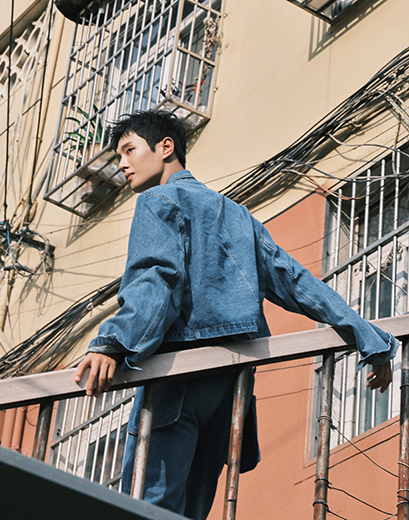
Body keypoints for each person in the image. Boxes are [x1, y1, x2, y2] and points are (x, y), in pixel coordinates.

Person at [74, 110, 398, 519]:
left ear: (165, 147)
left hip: (179, 374)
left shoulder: (158, 201)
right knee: (193, 510)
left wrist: (113, 342)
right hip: (230, 389)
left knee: (148, 505)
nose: (122, 163)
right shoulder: (240, 216)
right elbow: (296, 282)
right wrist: (369, 337)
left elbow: (157, 278)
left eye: (129, 150)